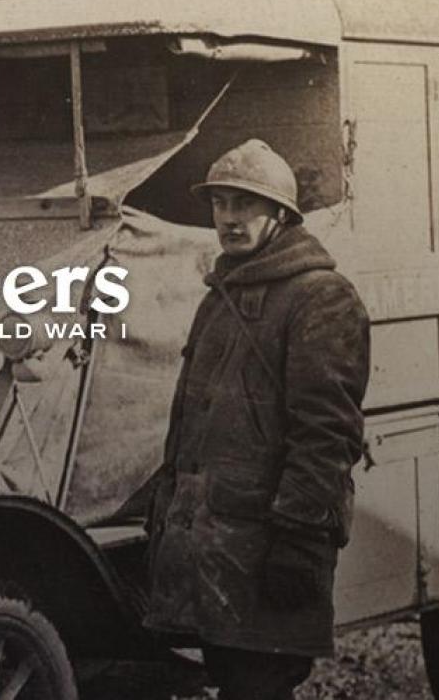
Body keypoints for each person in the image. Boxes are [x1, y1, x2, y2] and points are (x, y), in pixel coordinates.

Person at [143, 139, 370, 700]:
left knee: (258, 687)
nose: (229, 219)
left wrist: (298, 540)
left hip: (272, 546)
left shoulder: (321, 297)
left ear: (281, 216)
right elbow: (191, 422)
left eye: (245, 204)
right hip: (217, 547)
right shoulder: (221, 293)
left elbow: (327, 434)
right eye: (220, 204)